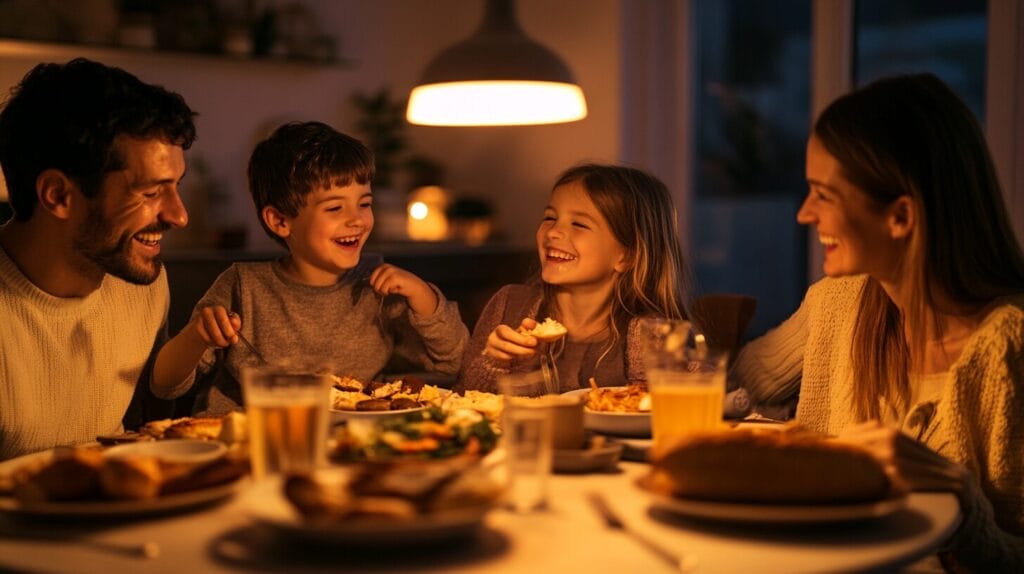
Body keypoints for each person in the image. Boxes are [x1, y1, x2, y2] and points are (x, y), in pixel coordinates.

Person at [730, 74, 1024, 570]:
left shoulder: (1008, 347)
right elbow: (735, 380)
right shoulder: (839, 303)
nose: (804, 214)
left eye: (823, 194)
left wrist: (959, 499)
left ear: (901, 217)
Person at [151, 121, 468, 415]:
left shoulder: (378, 286)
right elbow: (165, 385)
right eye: (334, 207)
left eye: (365, 203)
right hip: (251, 443)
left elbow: (455, 360)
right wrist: (197, 337)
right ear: (280, 221)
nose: (356, 219)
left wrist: (422, 294)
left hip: (348, 445)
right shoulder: (243, 285)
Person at [0, 58, 197, 460]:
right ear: (58, 195)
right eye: (149, 192)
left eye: (176, 186)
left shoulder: (142, 279)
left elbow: (152, 432)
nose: (179, 215)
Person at [456, 163, 691, 393]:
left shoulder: (650, 333)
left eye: (578, 224)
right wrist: (494, 362)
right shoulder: (509, 305)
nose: (554, 231)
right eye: (550, 218)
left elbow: (663, 407)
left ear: (626, 256)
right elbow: (463, 398)